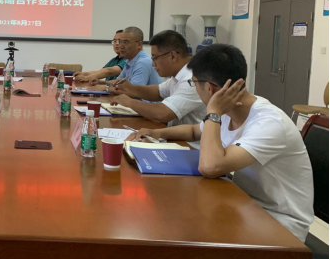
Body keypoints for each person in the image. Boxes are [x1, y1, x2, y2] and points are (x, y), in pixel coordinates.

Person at [129, 44, 314, 243]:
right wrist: (156, 133)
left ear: (210, 88)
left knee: (178, 226)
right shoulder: (228, 110)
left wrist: (213, 112)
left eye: (193, 83)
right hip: (244, 202)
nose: (195, 88)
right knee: (175, 214)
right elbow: (194, 131)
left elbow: (210, 167)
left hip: (280, 222)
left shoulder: (269, 123)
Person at [111, 30, 206, 126]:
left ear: (173, 56)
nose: (153, 64)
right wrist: (130, 87)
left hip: (186, 136)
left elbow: (163, 113)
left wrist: (129, 102)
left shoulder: (191, 80)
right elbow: (157, 91)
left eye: (155, 58)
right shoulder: (177, 76)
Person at [89, 27, 162, 88]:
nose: (121, 46)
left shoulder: (143, 62)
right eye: (120, 42)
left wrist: (105, 88)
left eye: (125, 42)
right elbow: (118, 82)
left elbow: (133, 92)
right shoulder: (129, 60)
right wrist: (102, 83)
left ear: (139, 44)